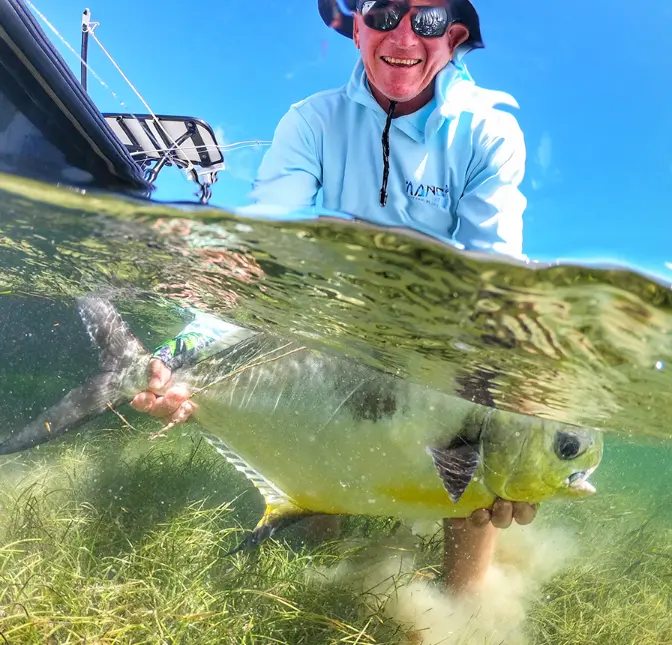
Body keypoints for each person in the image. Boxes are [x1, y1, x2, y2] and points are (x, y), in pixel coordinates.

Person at [131, 0, 535, 594]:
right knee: (327, 500)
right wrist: (182, 349)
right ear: (356, 27)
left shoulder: (489, 129)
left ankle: (463, 608)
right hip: (332, 321)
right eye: (386, 12)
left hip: (438, 336)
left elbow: (492, 279)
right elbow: (254, 258)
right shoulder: (311, 120)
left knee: (480, 442)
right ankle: (324, 530)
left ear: (452, 37)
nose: (403, 35)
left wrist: (513, 418)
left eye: (425, 20)